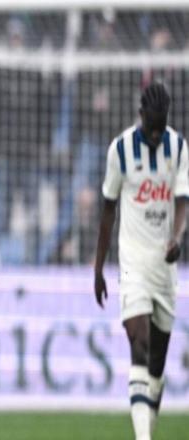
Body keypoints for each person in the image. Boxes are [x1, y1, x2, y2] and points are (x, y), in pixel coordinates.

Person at [94, 83, 188, 440]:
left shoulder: (178, 148)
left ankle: (148, 420)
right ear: (140, 116)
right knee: (139, 343)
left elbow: (182, 201)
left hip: (164, 265)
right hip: (132, 261)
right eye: (151, 125)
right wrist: (98, 267)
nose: (155, 134)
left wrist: (177, 238)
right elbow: (108, 210)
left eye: (160, 127)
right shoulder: (119, 150)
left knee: (157, 364)